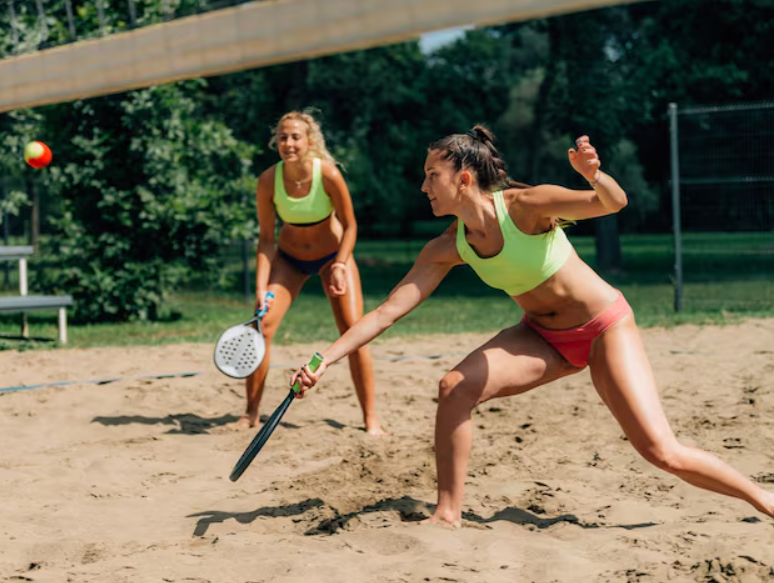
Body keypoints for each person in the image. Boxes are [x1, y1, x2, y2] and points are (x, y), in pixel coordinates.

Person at [290, 126, 774, 527]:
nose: (423, 187)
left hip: (605, 327)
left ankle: (762, 497)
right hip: (543, 338)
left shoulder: (525, 206)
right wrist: (322, 360)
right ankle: (448, 513)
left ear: (462, 178)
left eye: (431, 175)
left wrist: (594, 174)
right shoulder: (447, 245)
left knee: (661, 451)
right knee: (454, 387)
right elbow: (387, 311)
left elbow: (613, 203)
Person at [234, 110, 386, 436]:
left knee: (354, 332)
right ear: (277, 141)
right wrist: (262, 286)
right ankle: (250, 414)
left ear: (309, 141)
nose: (289, 143)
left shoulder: (327, 174)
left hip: (333, 257)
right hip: (289, 259)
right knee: (262, 325)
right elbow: (264, 240)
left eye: (295, 137)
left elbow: (350, 225)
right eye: (283, 137)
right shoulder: (267, 180)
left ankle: (370, 419)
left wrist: (342, 264)